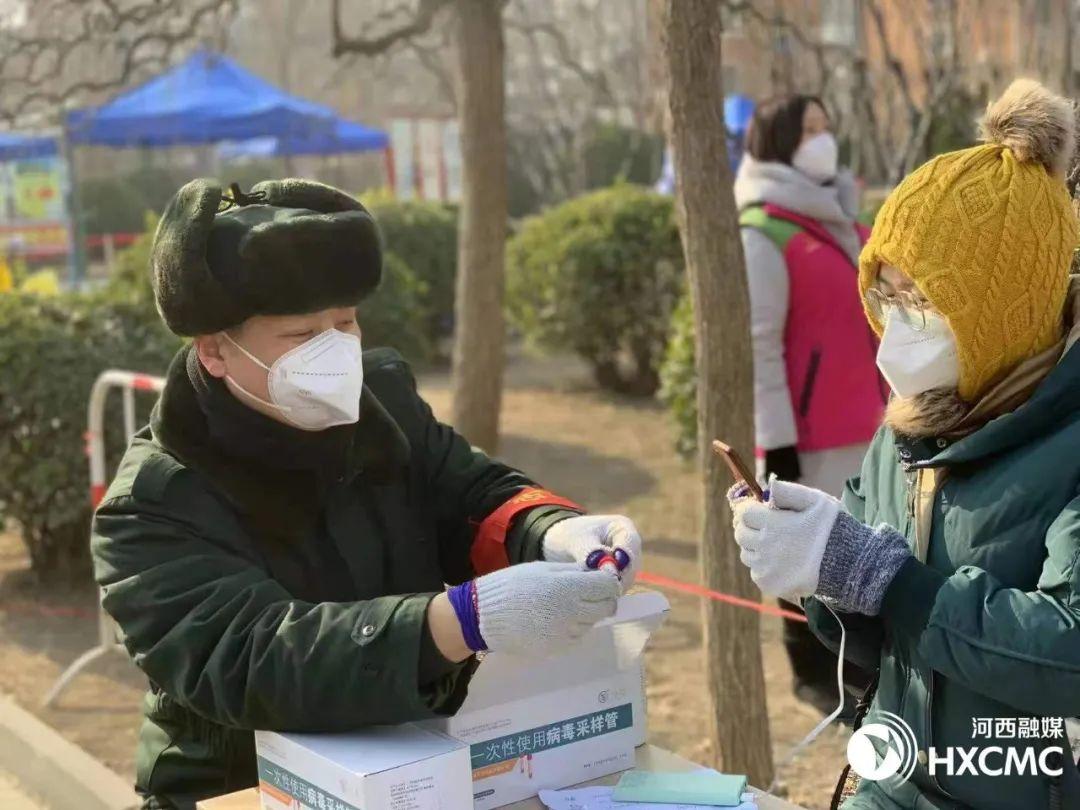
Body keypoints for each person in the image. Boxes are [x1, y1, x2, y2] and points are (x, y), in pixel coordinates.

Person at [90, 178, 644, 810]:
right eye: (302, 337)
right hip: (243, 787)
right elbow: (253, 655)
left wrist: (553, 530)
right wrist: (455, 623)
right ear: (215, 350)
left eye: (346, 322)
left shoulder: (383, 403)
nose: (337, 351)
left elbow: (469, 490)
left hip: (413, 763)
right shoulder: (152, 502)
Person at [729, 79, 1080, 808]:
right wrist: (818, 567)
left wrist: (891, 581)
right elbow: (869, 630)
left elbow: (1067, 653)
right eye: (883, 293)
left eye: (918, 297)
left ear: (999, 309)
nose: (893, 322)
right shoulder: (909, 427)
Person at [734, 94, 886, 715]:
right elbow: (760, 345)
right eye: (809, 131)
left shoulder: (849, 223)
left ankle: (864, 669)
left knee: (869, 545)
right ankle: (813, 671)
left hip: (875, 419)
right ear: (777, 143)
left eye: (827, 127)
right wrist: (780, 440)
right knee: (806, 552)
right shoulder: (763, 232)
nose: (823, 140)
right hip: (814, 431)